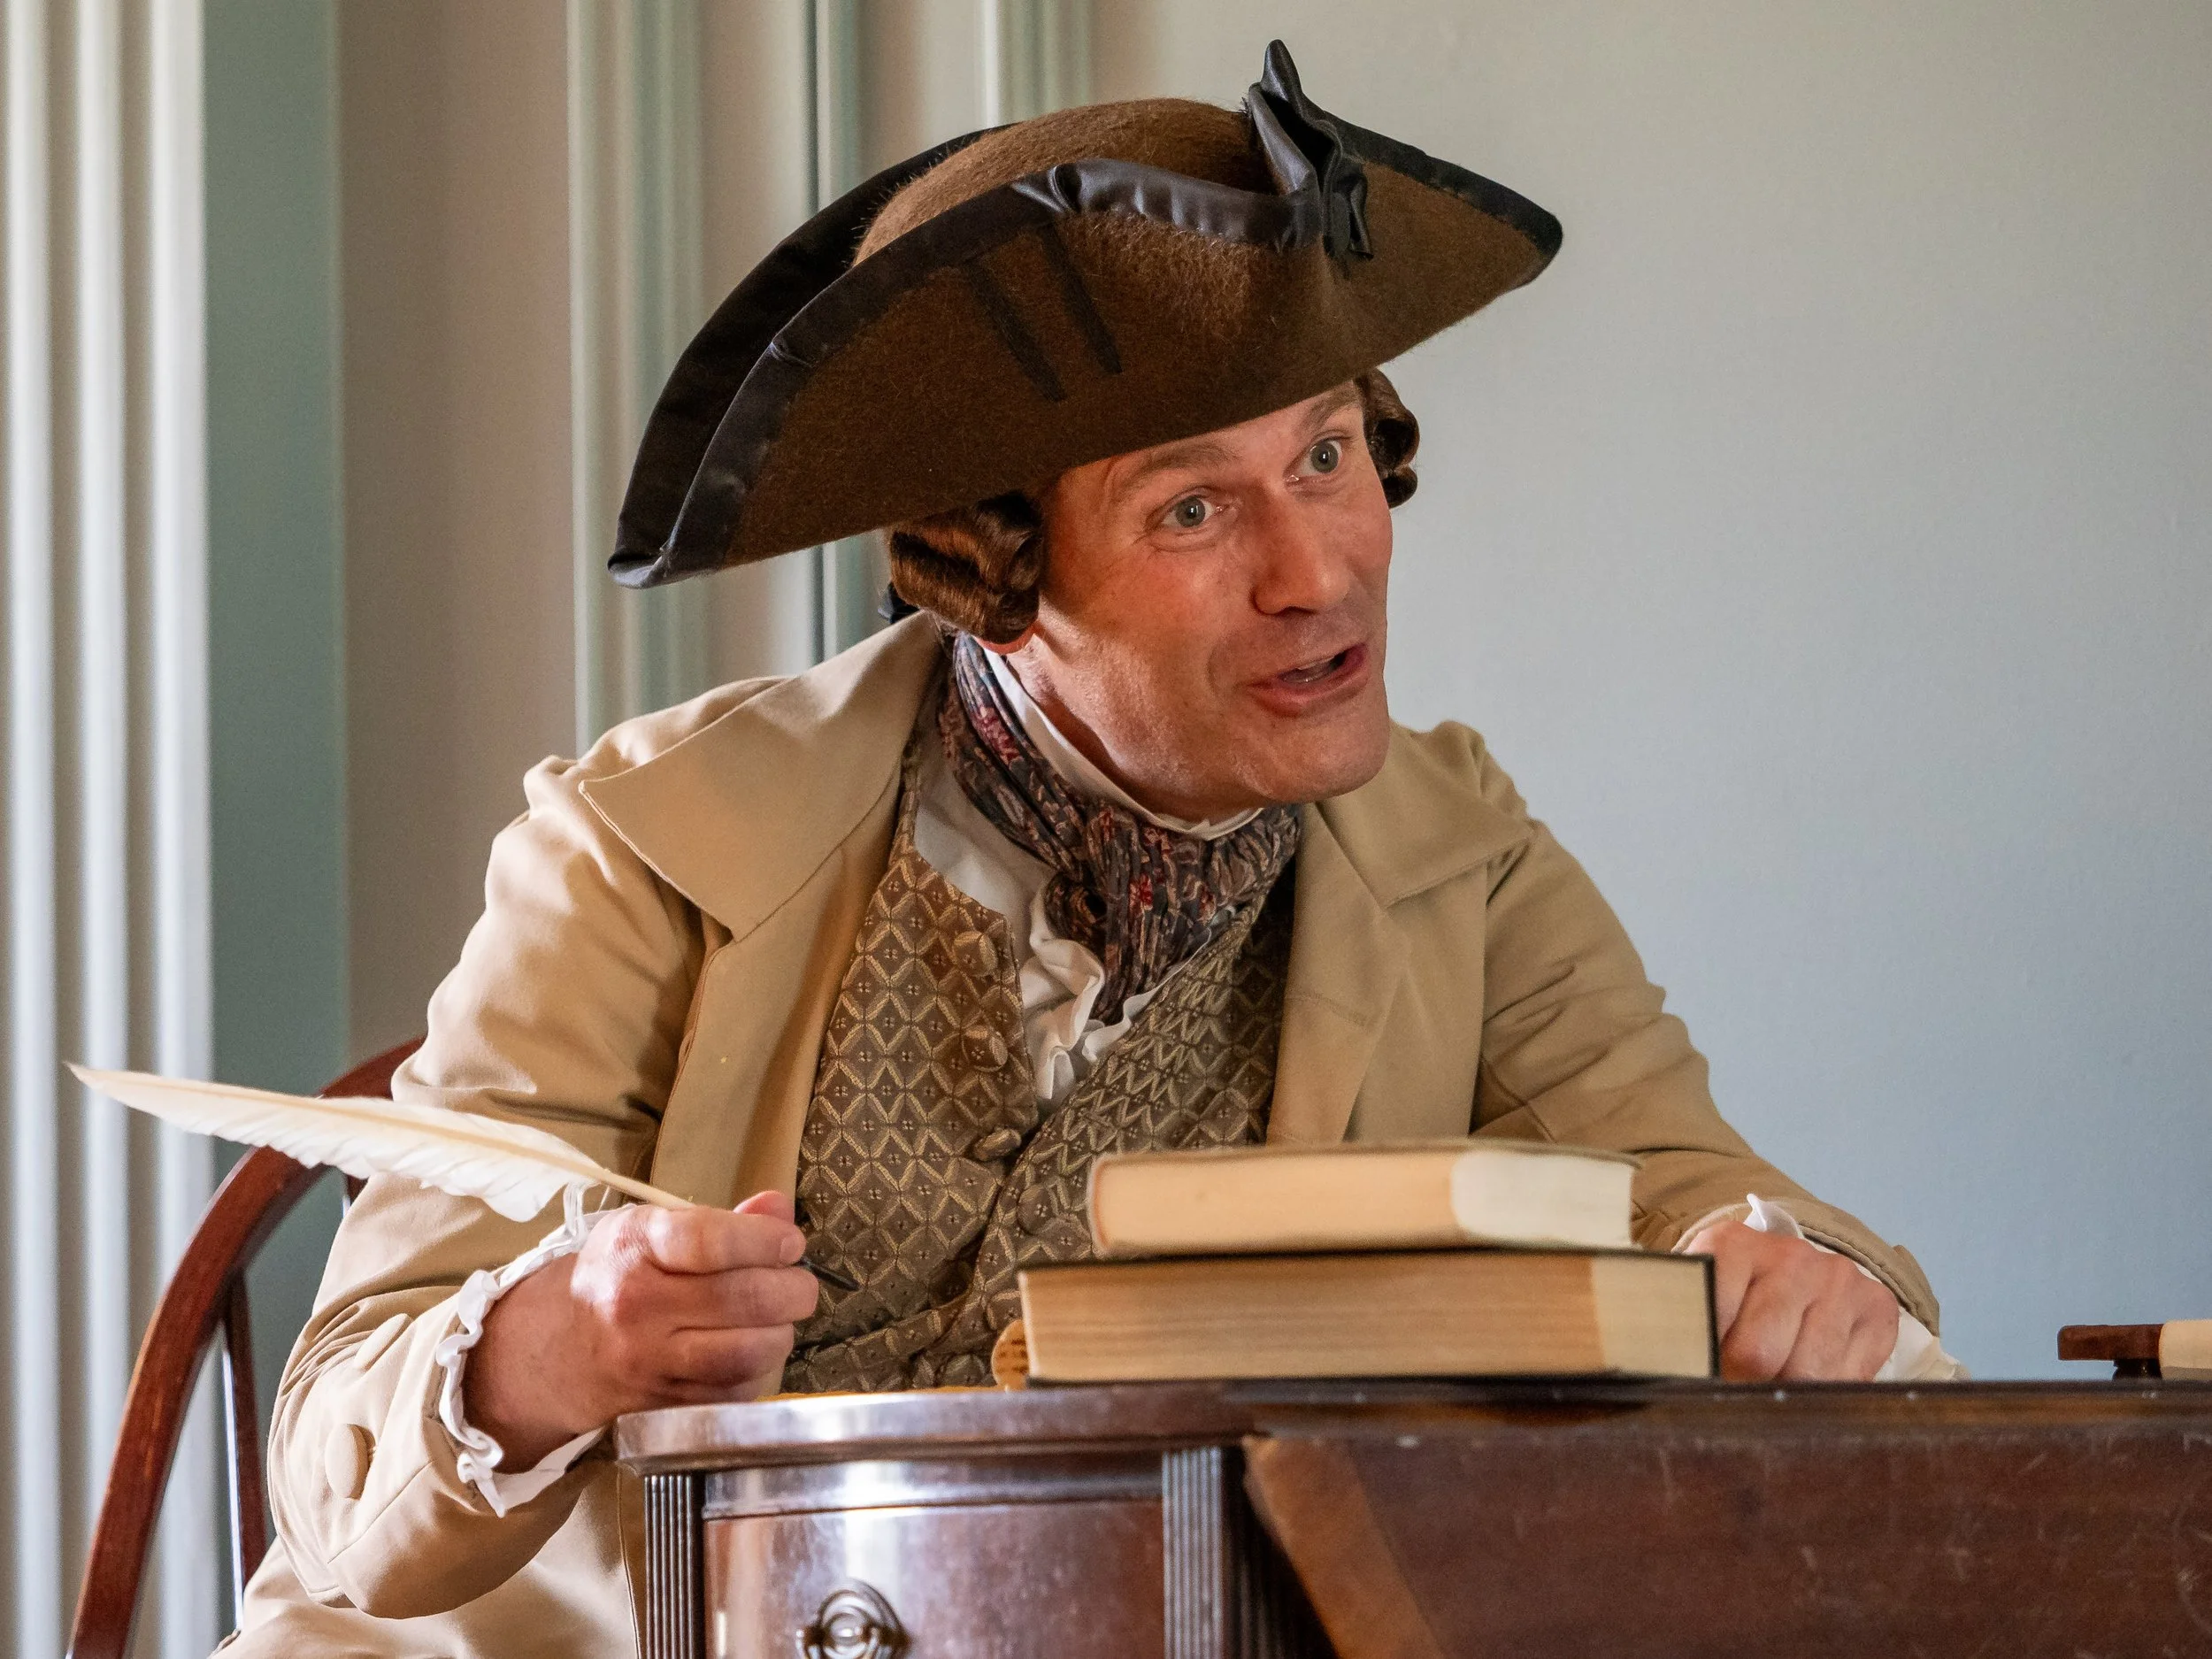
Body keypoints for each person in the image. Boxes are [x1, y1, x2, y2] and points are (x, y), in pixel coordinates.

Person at [224, 42, 1955, 1657]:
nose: (1317, 570)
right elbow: (334, 1458)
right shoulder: (638, 848)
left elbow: (1714, 1193)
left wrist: (1807, 1284)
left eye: (1330, 456)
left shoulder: (1461, 863)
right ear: (998, 576)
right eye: (1193, 508)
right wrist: (550, 1346)